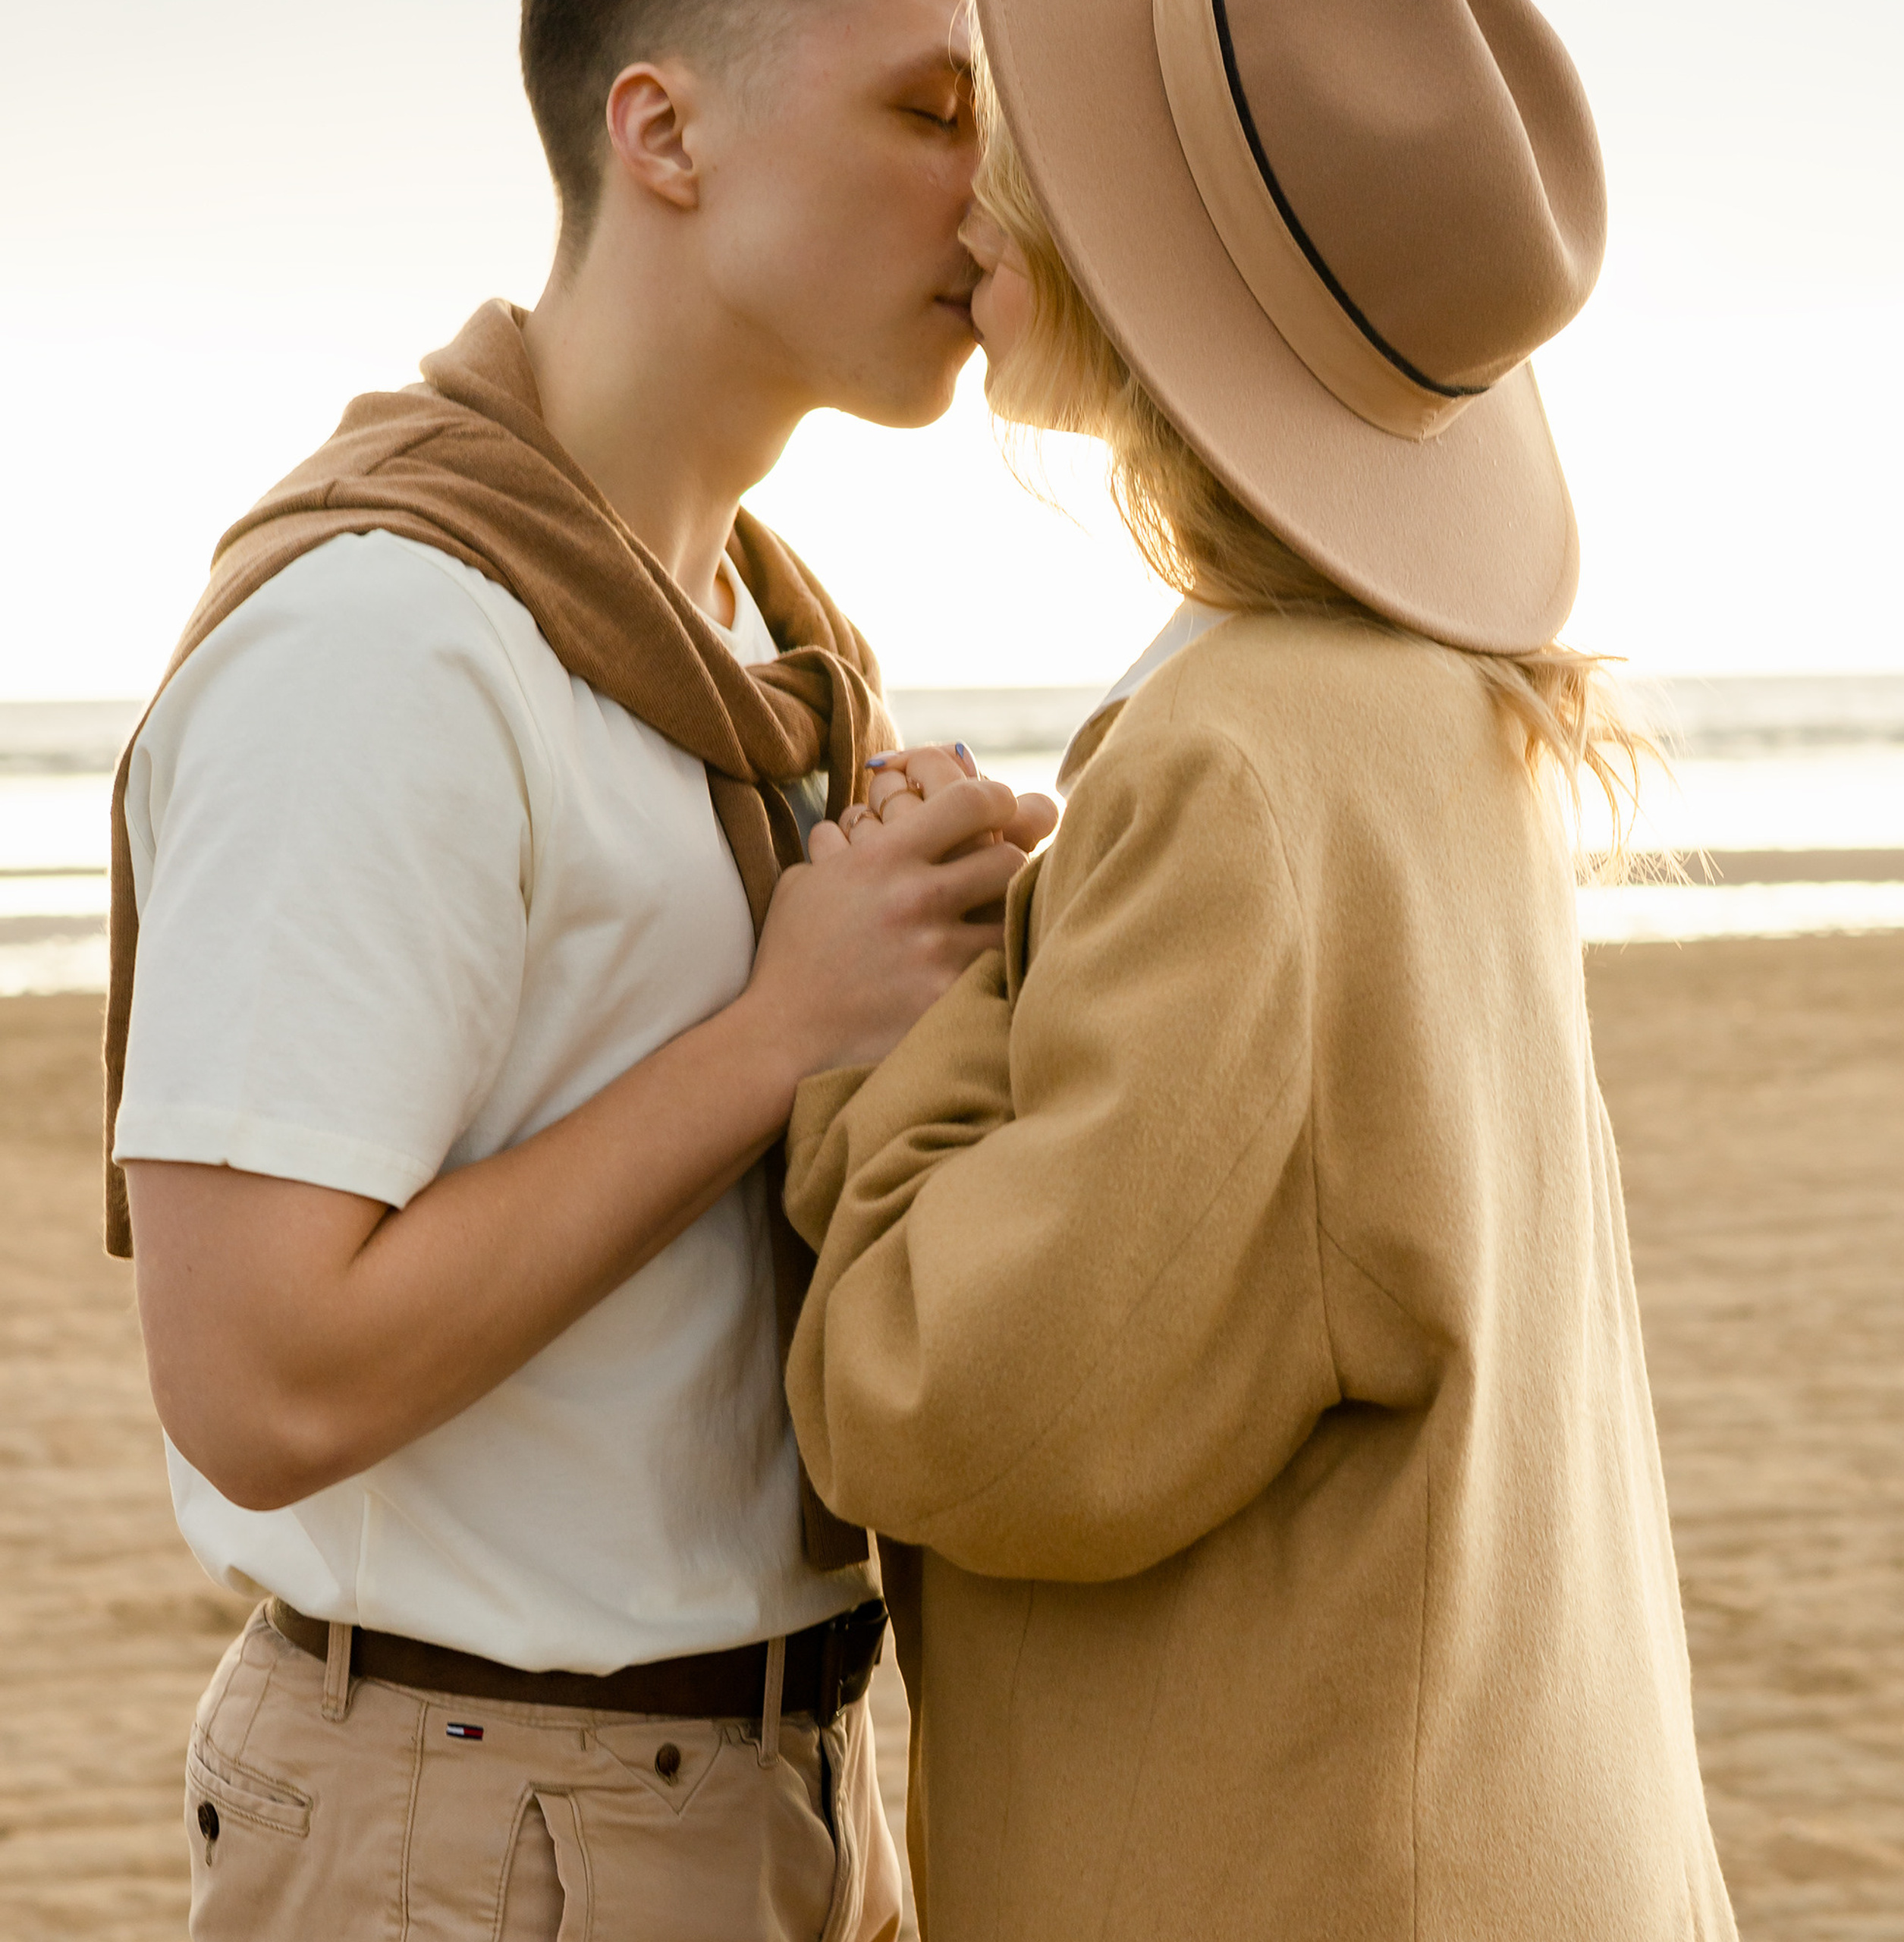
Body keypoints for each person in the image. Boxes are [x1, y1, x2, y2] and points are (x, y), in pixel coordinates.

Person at [781, 2, 1739, 1937]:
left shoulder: (1246, 759)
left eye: (1032, 146)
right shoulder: (1418, 706)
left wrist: (903, 997)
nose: (970, 185)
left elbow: (959, 1404)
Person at [108, 2, 1053, 1935]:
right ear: (664, 132)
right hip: (479, 1824)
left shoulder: (760, 646)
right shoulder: (388, 641)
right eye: (932, 108)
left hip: (770, 1782)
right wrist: (783, 1026)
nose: (996, 187)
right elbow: (257, 1379)